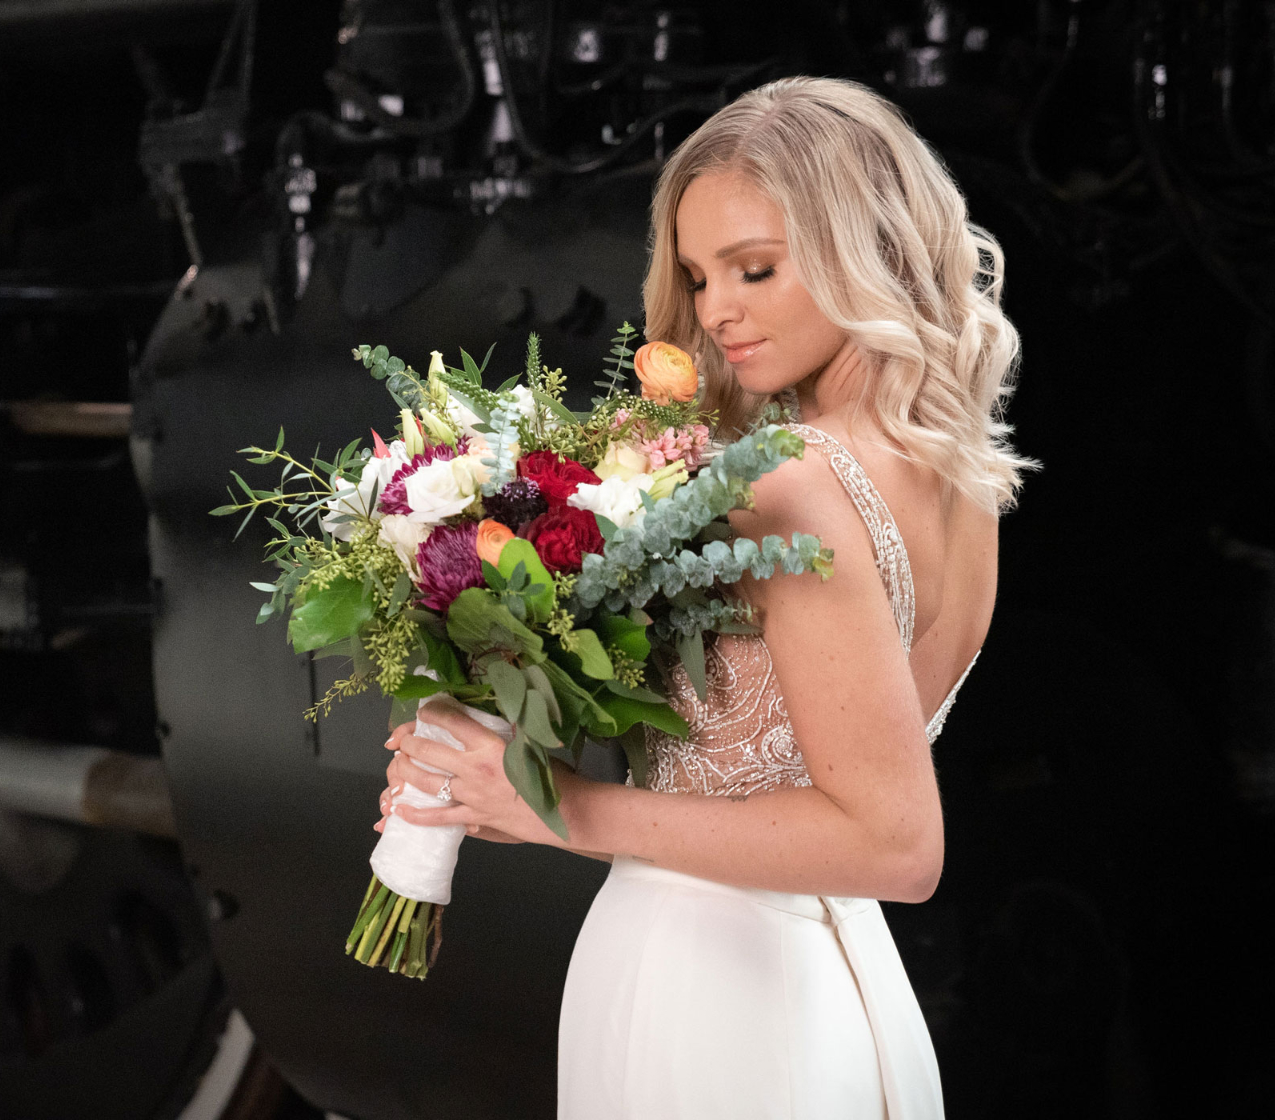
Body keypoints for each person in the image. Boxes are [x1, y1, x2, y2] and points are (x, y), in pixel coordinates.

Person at [374, 75, 1034, 1118]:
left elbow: (895, 844)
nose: (715, 309)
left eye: (754, 268)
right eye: (696, 274)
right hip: (851, 1000)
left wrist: (549, 808)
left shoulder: (787, 483)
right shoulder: (962, 486)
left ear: (865, 246)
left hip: (703, 999)